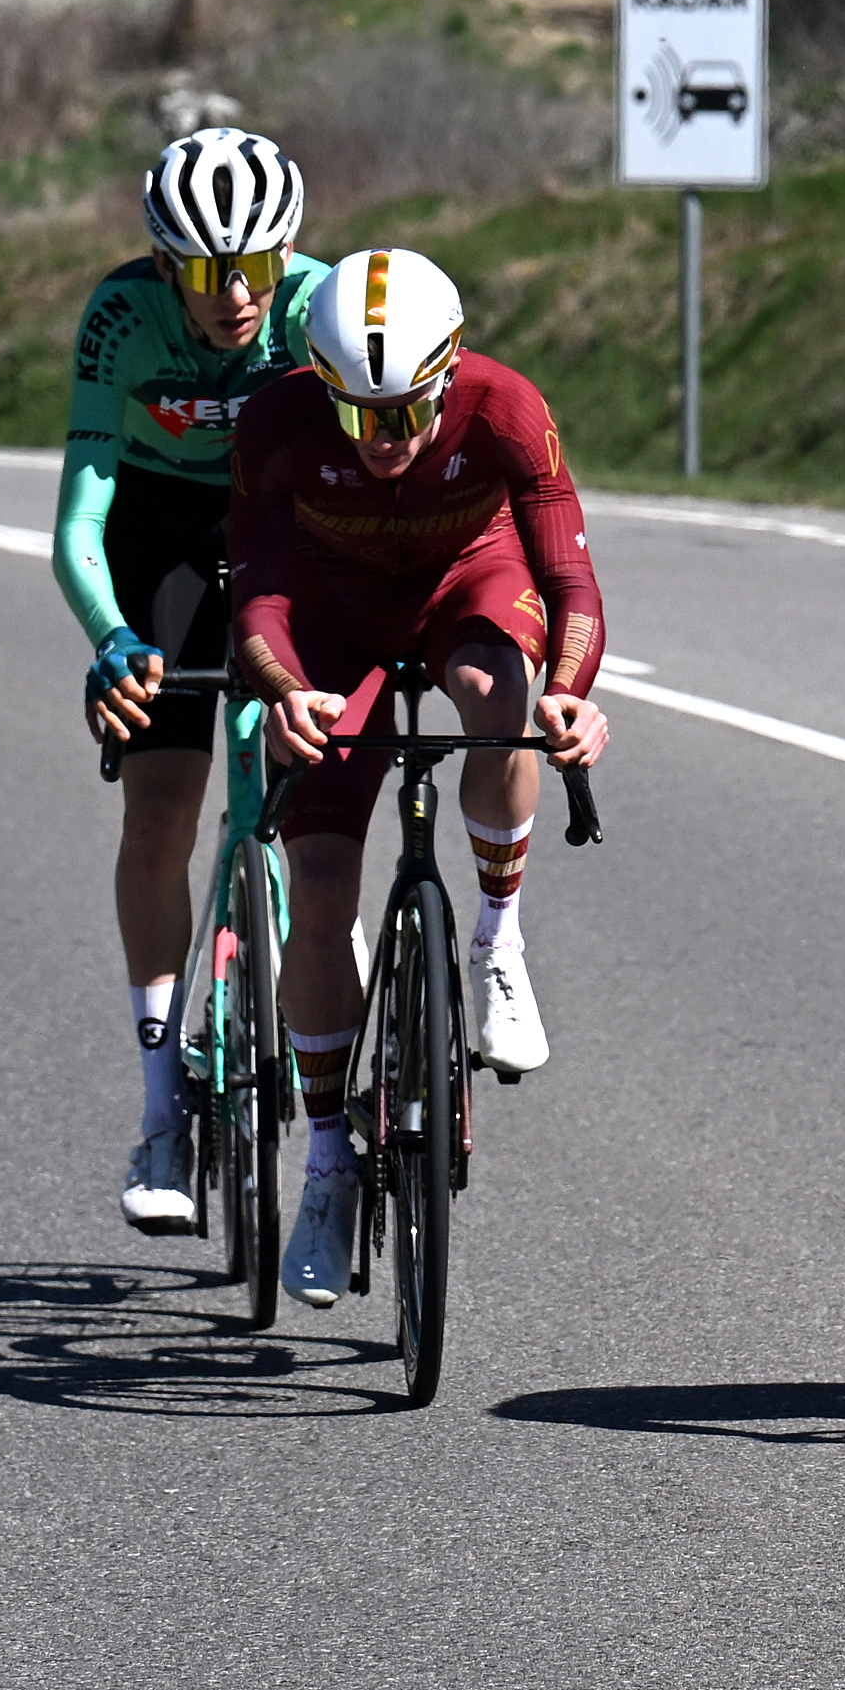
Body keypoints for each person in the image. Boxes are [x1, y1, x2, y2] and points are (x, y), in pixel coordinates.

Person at [221, 242, 605, 1306]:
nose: (381, 441)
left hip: (464, 586)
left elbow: (569, 579)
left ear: (448, 373)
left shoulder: (505, 409)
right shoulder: (278, 422)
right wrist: (283, 688)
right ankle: (332, 1161)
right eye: (355, 415)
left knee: (500, 697)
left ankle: (497, 940)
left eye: (401, 415)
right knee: (323, 882)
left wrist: (569, 695)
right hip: (333, 615)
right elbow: (255, 590)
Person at [60, 125, 334, 1230]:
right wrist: (110, 635)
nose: (239, 296)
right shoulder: (122, 317)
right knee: (162, 811)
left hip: (288, 524)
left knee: (321, 784)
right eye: (213, 274)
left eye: (258, 269)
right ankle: (162, 1104)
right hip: (164, 530)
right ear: (169, 267)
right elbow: (82, 513)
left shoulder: (316, 305)